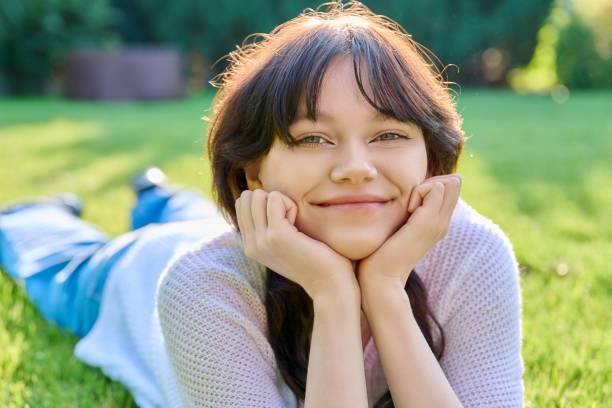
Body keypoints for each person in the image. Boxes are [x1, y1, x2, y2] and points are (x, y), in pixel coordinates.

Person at [0, 2, 524, 407]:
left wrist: (384, 289)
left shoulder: (473, 254)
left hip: (246, 231)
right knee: (53, 262)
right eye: (312, 139)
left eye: (388, 134)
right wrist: (333, 294)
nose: (356, 167)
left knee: (189, 217)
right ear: (253, 170)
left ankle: (155, 193)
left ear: (431, 158)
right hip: (133, 277)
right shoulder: (201, 285)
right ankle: (34, 216)